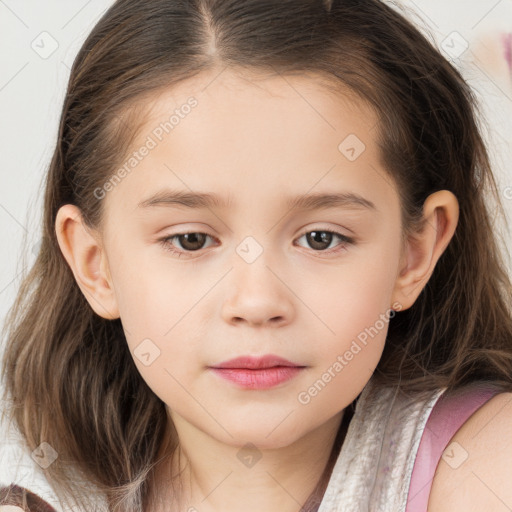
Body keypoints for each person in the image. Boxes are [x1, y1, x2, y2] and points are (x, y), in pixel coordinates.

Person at [1, 0, 512, 511]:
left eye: (321, 238)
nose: (256, 301)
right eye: (190, 240)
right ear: (96, 265)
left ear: (413, 253)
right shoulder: (29, 487)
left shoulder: (485, 467)